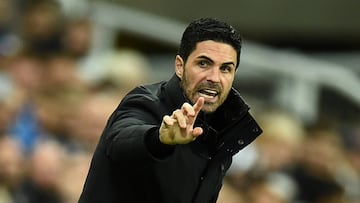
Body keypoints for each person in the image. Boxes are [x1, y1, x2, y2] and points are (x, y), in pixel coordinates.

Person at [78, 17, 263, 203]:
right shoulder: (145, 101)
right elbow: (120, 140)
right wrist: (159, 139)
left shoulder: (224, 131)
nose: (214, 77)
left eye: (225, 69)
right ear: (180, 66)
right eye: (203, 64)